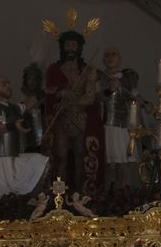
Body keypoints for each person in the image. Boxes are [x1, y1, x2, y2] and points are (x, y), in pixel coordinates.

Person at [43, 27, 105, 199]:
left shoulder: (88, 70)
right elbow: (49, 93)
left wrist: (73, 99)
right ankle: (58, 195)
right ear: (62, 47)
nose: (70, 48)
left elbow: (90, 97)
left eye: (74, 45)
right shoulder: (54, 69)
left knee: (80, 155)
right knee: (61, 156)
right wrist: (61, 94)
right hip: (62, 116)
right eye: (67, 44)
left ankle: (79, 194)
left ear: (79, 47)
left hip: (80, 116)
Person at [97, 46, 143, 190]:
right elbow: (97, 97)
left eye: (114, 54)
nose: (110, 57)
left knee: (124, 166)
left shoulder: (128, 77)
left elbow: (135, 96)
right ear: (104, 59)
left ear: (119, 58)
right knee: (110, 166)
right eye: (107, 55)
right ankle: (108, 198)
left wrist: (148, 105)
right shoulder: (99, 77)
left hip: (125, 126)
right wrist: (109, 90)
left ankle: (122, 198)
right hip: (108, 126)